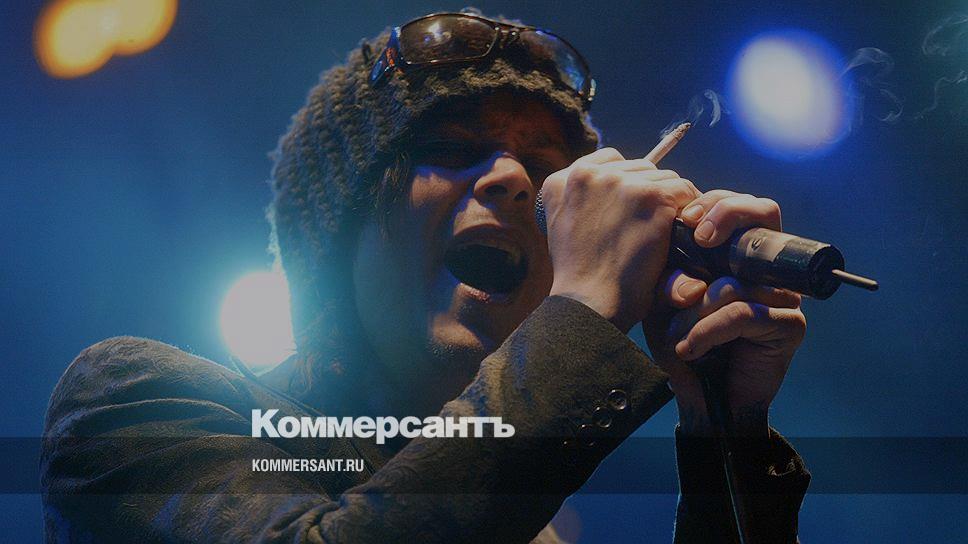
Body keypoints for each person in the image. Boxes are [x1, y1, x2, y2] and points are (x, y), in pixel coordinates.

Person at [41, 10, 810, 543]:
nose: (512, 178)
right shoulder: (135, 403)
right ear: (335, 238)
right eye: (450, 149)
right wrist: (583, 310)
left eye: (545, 172)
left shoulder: (530, 527)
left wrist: (724, 433)